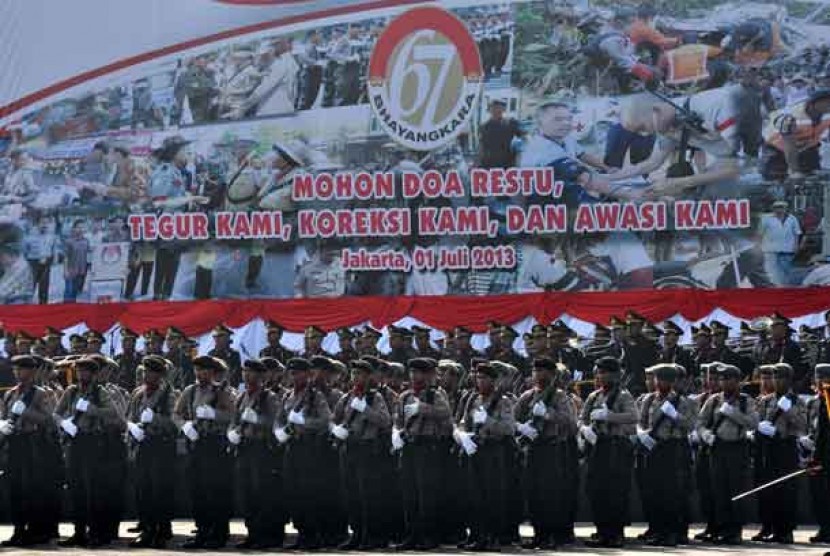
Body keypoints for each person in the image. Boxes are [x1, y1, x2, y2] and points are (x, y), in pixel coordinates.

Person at [54, 357, 120, 548]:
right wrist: (64, 424)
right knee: (76, 488)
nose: (81, 375)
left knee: (94, 490)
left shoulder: (100, 392)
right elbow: (57, 413)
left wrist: (91, 409)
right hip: (75, 442)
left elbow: (112, 414)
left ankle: (96, 533)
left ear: (93, 374)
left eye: (85, 372)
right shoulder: (71, 391)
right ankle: (79, 532)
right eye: (79, 371)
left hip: (94, 442)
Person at [174, 355, 235, 549]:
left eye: (205, 370)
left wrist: (214, 414)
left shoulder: (223, 391)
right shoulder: (190, 391)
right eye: (198, 370)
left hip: (215, 444)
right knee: (197, 489)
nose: (201, 374)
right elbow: (176, 413)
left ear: (213, 372)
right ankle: (202, 530)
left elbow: (234, 415)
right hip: (196, 443)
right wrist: (185, 426)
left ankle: (218, 532)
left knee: (216, 490)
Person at [331, 359, 392, 549]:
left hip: (367, 449)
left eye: (360, 374)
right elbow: (333, 419)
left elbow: (385, 421)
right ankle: (356, 534)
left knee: (368, 495)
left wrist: (365, 409)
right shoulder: (347, 397)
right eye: (354, 374)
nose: (356, 378)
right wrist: (336, 429)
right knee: (352, 495)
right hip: (349, 449)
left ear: (368, 377)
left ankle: (370, 535)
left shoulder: (375, 398)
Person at [514, 357, 574, 549]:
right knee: (533, 493)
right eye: (535, 371)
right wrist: (522, 428)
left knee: (550, 494)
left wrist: (548, 413)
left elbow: (569, 422)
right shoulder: (527, 396)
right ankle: (538, 534)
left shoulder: (559, 396)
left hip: (551, 447)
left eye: (543, 371)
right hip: (532, 448)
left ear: (552, 374)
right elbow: (512, 419)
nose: (538, 375)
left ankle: (551, 536)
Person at [393, 357, 453, 550]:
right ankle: (412, 534)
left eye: (418, 372)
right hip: (409, 446)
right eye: (412, 372)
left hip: (428, 447)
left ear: (427, 375)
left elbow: (445, 413)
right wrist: (397, 433)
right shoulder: (405, 396)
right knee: (409, 493)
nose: (414, 376)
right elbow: (398, 420)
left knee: (427, 494)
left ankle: (429, 536)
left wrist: (423, 408)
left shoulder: (435, 394)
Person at [0, 355, 59, 547]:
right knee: (14, 488)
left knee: (32, 489)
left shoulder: (42, 394)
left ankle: (34, 530)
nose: (18, 372)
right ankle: (18, 529)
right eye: (16, 369)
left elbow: (50, 421)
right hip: (14, 444)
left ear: (32, 372)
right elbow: (5, 415)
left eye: (22, 369)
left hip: (34, 445)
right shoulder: (10, 393)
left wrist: (26, 412)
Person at [580, 356, 638, 548]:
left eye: (603, 372)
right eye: (598, 372)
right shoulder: (594, 396)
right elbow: (582, 418)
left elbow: (633, 417)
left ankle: (615, 533)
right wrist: (585, 430)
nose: (599, 376)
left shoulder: (623, 395)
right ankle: (602, 530)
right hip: (597, 446)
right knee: (596, 490)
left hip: (616, 447)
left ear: (614, 375)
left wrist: (610, 416)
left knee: (616, 491)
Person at [635, 364, 696, 547]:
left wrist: (675, 415)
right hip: (653, 447)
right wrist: (642, 433)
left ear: (674, 382)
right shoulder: (648, 399)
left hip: (672, 447)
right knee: (653, 491)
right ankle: (657, 529)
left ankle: (671, 533)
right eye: (658, 379)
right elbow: (640, 420)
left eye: (666, 380)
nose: (661, 383)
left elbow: (691, 425)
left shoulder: (683, 402)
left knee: (670, 493)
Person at [697, 363, 758, 544]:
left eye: (728, 379)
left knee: (736, 490)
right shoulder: (714, 400)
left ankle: (735, 530)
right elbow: (700, 423)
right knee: (719, 489)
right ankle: (722, 528)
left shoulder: (746, 401)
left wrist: (734, 413)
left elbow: (753, 423)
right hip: (718, 448)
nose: (724, 382)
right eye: (722, 379)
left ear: (738, 381)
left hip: (737, 448)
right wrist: (706, 435)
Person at [276, 357, 332, 550]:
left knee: (309, 492)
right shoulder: (287, 396)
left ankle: (312, 535)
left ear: (308, 374)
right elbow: (279, 419)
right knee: (293, 492)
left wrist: (304, 422)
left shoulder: (315, 396)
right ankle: (301, 533)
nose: (295, 376)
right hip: (291, 447)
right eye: (292, 373)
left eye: (299, 373)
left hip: (309, 448)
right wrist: (279, 431)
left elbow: (326, 420)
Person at [227, 359, 284, 549]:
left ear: (260, 376)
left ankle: (266, 535)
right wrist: (232, 432)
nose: (246, 375)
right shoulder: (242, 396)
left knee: (263, 493)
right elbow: (234, 420)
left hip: (262, 449)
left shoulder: (269, 397)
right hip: (245, 447)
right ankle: (252, 533)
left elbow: (276, 422)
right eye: (244, 372)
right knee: (247, 493)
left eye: (250, 372)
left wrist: (258, 420)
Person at [124, 355, 177, 548]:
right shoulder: (138, 393)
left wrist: (155, 418)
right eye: (145, 371)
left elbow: (174, 422)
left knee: (159, 489)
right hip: (142, 444)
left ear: (160, 374)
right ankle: (147, 529)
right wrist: (132, 428)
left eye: (151, 372)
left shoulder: (169, 394)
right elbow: (129, 415)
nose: (146, 375)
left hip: (160, 445)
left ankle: (161, 530)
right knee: (142, 488)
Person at [753, 362, 807, 543]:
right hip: (767, 448)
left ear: (789, 380)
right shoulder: (765, 400)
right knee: (767, 489)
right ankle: (768, 526)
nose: (776, 381)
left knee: (786, 490)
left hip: (786, 447)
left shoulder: (796, 400)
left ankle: (785, 530)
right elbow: (755, 419)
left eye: (781, 377)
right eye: (775, 377)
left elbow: (801, 426)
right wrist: (758, 428)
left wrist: (789, 411)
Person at [761, 89, 830, 180]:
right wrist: (794, 171)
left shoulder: (826, 114)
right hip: (778, 148)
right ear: (814, 103)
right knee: (777, 179)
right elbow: (789, 146)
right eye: (828, 102)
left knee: (813, 177)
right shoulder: (790, 117)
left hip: (807, 146)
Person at [235, 38, 299, 118]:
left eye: (264, 55)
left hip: (274, 111)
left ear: (272, 51)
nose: (261, 58)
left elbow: (261, 91)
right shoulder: (276, 65)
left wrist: (242, 108)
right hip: (279, 109)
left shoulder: (279, 66)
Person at [759, 201, 803, 286]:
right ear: (773, 208)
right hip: (770, 249)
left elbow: (797, 233)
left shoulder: (792, 218)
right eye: (777, 207)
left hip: (787, 249)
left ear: (785, 208)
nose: (779, 209)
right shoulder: (766, 218)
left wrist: (796, 245)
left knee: (786, 270)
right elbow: (760, 233)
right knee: (771, 270)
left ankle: (785, 287)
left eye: (781, 207)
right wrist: (759, 246)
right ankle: (775, 287)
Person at [478, 99, 524, 169]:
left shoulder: (510, 123)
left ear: (503, 110)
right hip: (488, 164)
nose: (497, 110)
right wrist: (478, 162)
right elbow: (482, 147)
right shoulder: (484, 127)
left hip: (507, 163)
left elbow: (524, 137)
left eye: (499, 108)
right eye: (494, 108)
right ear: (490, 110)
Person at [23, 219, 57, 304]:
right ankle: (26, 305)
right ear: (37, 224)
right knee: (30, 286)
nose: (44, 225)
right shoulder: (30, 236)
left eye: (46, 223)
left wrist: (54, 259)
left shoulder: (51, 236)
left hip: (46, 264)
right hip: (33, 264)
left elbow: (54, 249)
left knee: (44, 286)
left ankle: (43, 306)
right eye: (42, 223)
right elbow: (24, 251)